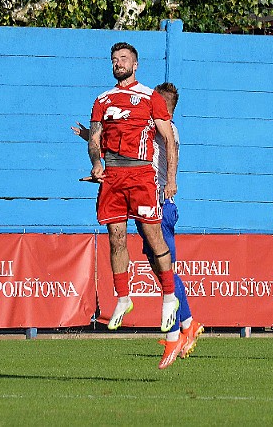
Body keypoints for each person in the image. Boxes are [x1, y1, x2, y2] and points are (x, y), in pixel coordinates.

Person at [73, 82, 203, 370]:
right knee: (159, 266)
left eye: (164, 104)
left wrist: (171, 182)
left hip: (159, 201)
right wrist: (89, 138)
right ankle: (185, 324)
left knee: (163, 266)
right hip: (144, 198)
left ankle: (187, 324)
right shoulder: (147, 122)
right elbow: (123, 149)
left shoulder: (166, 130)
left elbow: (159, 152)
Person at [87, 42, 180, 351]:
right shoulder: (103, 99)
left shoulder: (151, 98)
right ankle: (123, 298)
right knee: (115, 237)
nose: (118, 63)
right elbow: (95, 138)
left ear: (135, 64)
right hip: (112, 175)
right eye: (114, 59)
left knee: (154, 237)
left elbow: (168, 139)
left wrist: (171, 180)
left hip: (141, 175)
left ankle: (169, 299)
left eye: (124, 58)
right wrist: (96, 162)